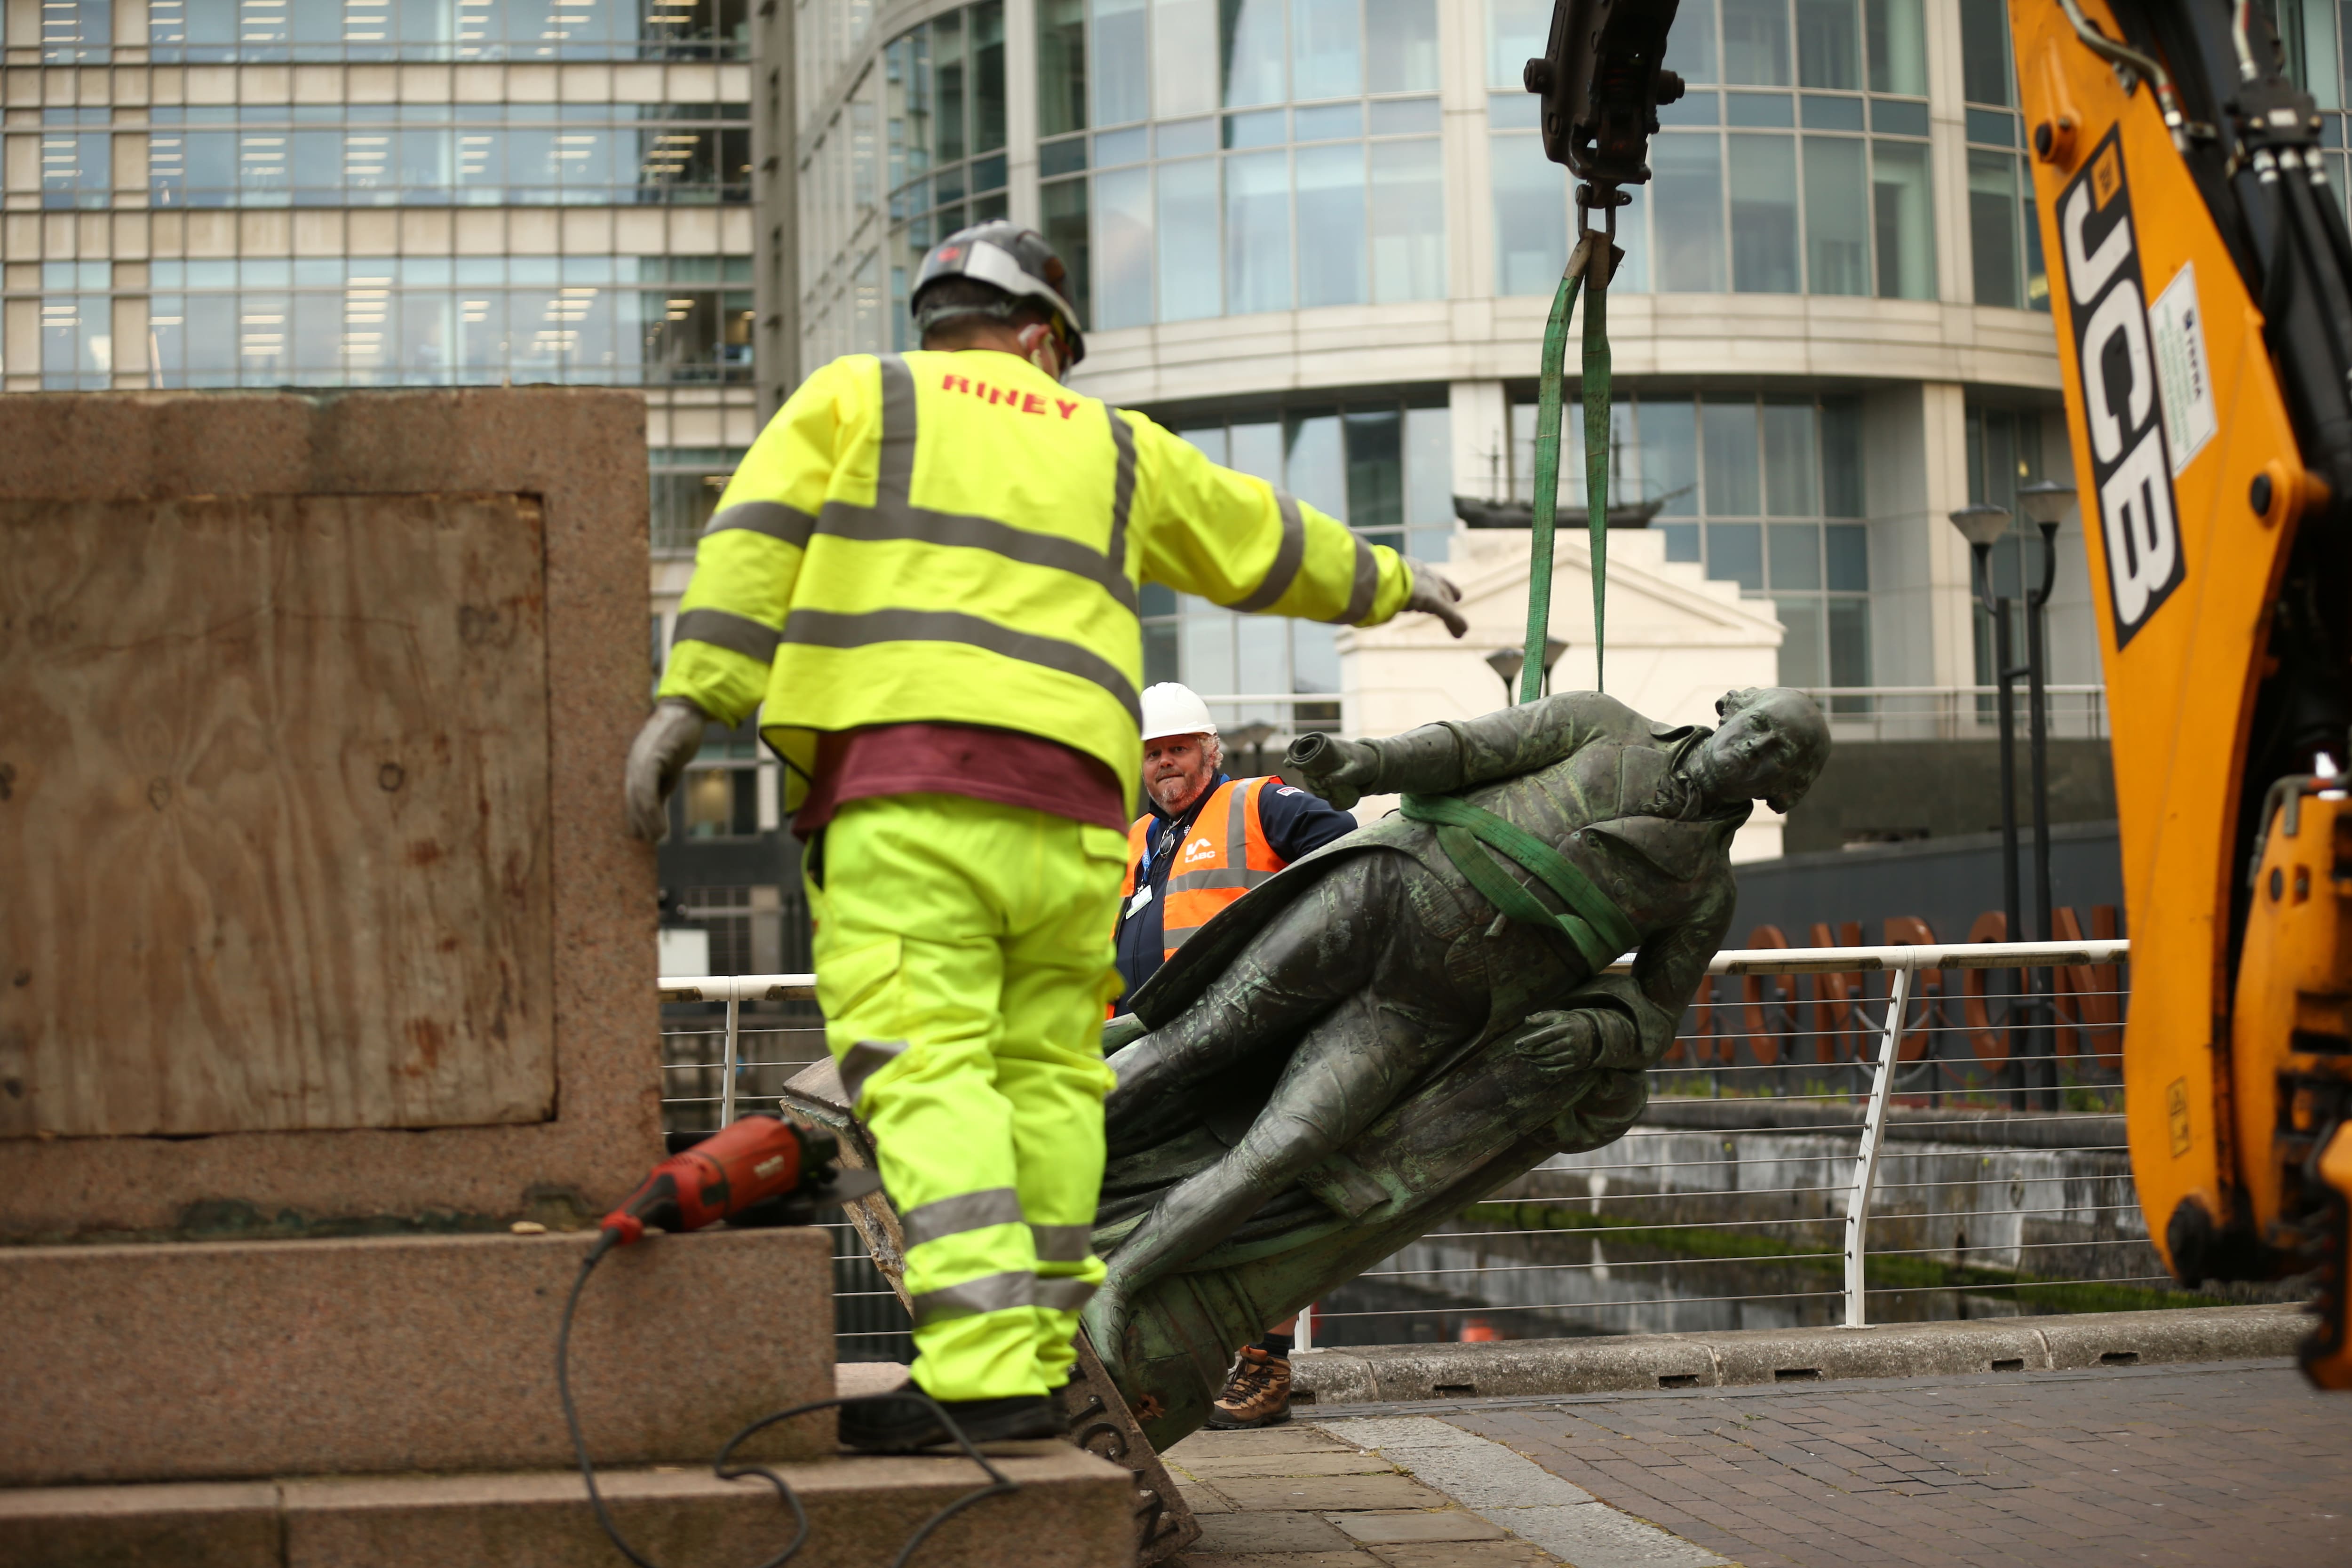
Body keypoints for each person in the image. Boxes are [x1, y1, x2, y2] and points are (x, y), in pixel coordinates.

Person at [620, 220, 1469, 1453]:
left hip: (906, 796)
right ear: (1039, 339)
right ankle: (1023, 1366)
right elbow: (1259, 537)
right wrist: (1397, 582)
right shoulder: (1109, 444)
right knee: (1050, 1081)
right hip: (1075, 818)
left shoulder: (862, 399)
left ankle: (976, 1369)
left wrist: (692, 697)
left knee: (925, 1063)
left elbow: (755, 543)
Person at [1083, 687, 1832, 1427]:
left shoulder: (1705, 892)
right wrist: (1365, 761)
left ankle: (1122, 1281)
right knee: (1195, 1041)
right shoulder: (1604, 724)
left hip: (1425, 1011)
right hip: (1382, 894)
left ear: (1785, 791)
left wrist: (1593, 1035)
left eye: (1779, 755)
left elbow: (1655, 1015)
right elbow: (1467, 749)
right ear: (1731, 712)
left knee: (1290, 1146)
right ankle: (1016, 1155)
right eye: (1759, 728)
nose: (1755, 750)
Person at [1113, 680, 1359, 1428]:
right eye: (1154, 754)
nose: (1167, 766)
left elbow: (1353, 854)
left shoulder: (1261, 804)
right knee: (1172, 1206)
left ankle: (1268, 1363)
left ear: (1209, 750)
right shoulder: (1138, 840)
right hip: (1162, 1055)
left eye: (1179, 749)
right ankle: (1175, 1354)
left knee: (1265, 1203)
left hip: (1250, 1046)